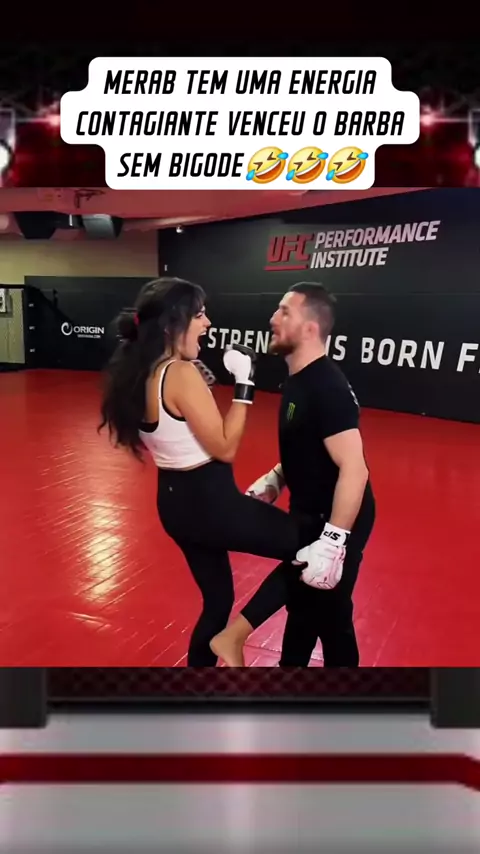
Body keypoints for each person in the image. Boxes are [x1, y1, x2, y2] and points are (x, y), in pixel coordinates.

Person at [98, 277, 329, 667]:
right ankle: (235, 637)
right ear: (173, 323)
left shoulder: (140, 374)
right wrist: (245, 382)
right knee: (315, 548)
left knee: (218, 600)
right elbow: (224, 447)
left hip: (175, 505)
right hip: (212, 505)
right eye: (200, 315)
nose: (207, 324)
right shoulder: (178, 373)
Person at [210, 282, 376, 668]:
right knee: (309, 612)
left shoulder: (325, 387)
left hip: (336, 519)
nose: (273, 318)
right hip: (309, 512)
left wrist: (334, 541)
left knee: (330, 617)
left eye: (285, 311)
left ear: (310, 328)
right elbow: (312, 446)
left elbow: (355, 468)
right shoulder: (300, 380)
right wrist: (277, 476)